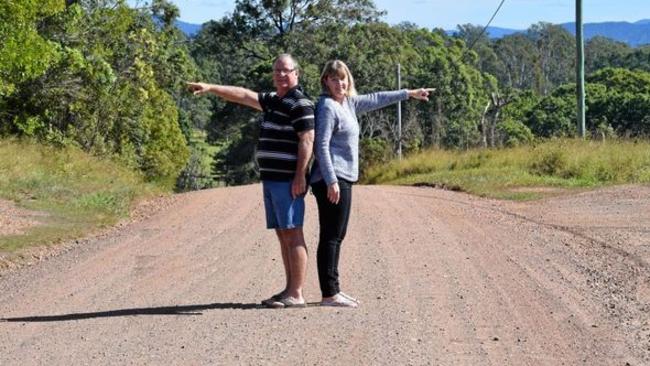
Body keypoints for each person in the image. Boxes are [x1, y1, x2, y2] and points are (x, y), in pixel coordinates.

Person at [187, 54, 314, 308]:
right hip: (271, 178)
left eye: (286, 71)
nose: (281, 75)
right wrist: (211, 88)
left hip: (288, 180)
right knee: (282, 233)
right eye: (277, 70)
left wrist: (300, 175)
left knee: (292, 231)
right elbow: (243, 95)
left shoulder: (300, 103)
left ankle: (297, 293)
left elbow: (307, 140)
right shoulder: (273, 100)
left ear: (296, 74)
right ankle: (288, 289)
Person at [311, 60, 434, 307]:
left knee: (337, 234)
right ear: (326, 81)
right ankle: (329, 293)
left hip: (342, 177)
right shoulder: (326, 107)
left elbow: (378, 98)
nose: (340, 83)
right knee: (331, 235)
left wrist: (408, 93)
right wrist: (331, 180)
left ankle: (333, 290)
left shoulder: (348, 103)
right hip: (332, 178)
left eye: (343, 78)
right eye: (334, 79)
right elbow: (321, 145)